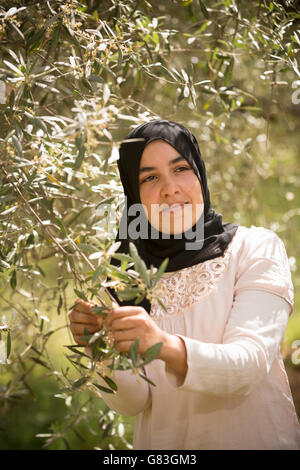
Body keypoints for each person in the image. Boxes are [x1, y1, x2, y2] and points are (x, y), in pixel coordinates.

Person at [69, 120, 300, 450]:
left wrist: (161, 344)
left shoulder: (253, 249)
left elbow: (248, 366)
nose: (169, 188)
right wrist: (99, 347)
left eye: (180, 168)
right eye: (150, 177)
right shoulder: (125, 274)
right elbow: (133, 402)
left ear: (200, 175)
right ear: (133, 194)